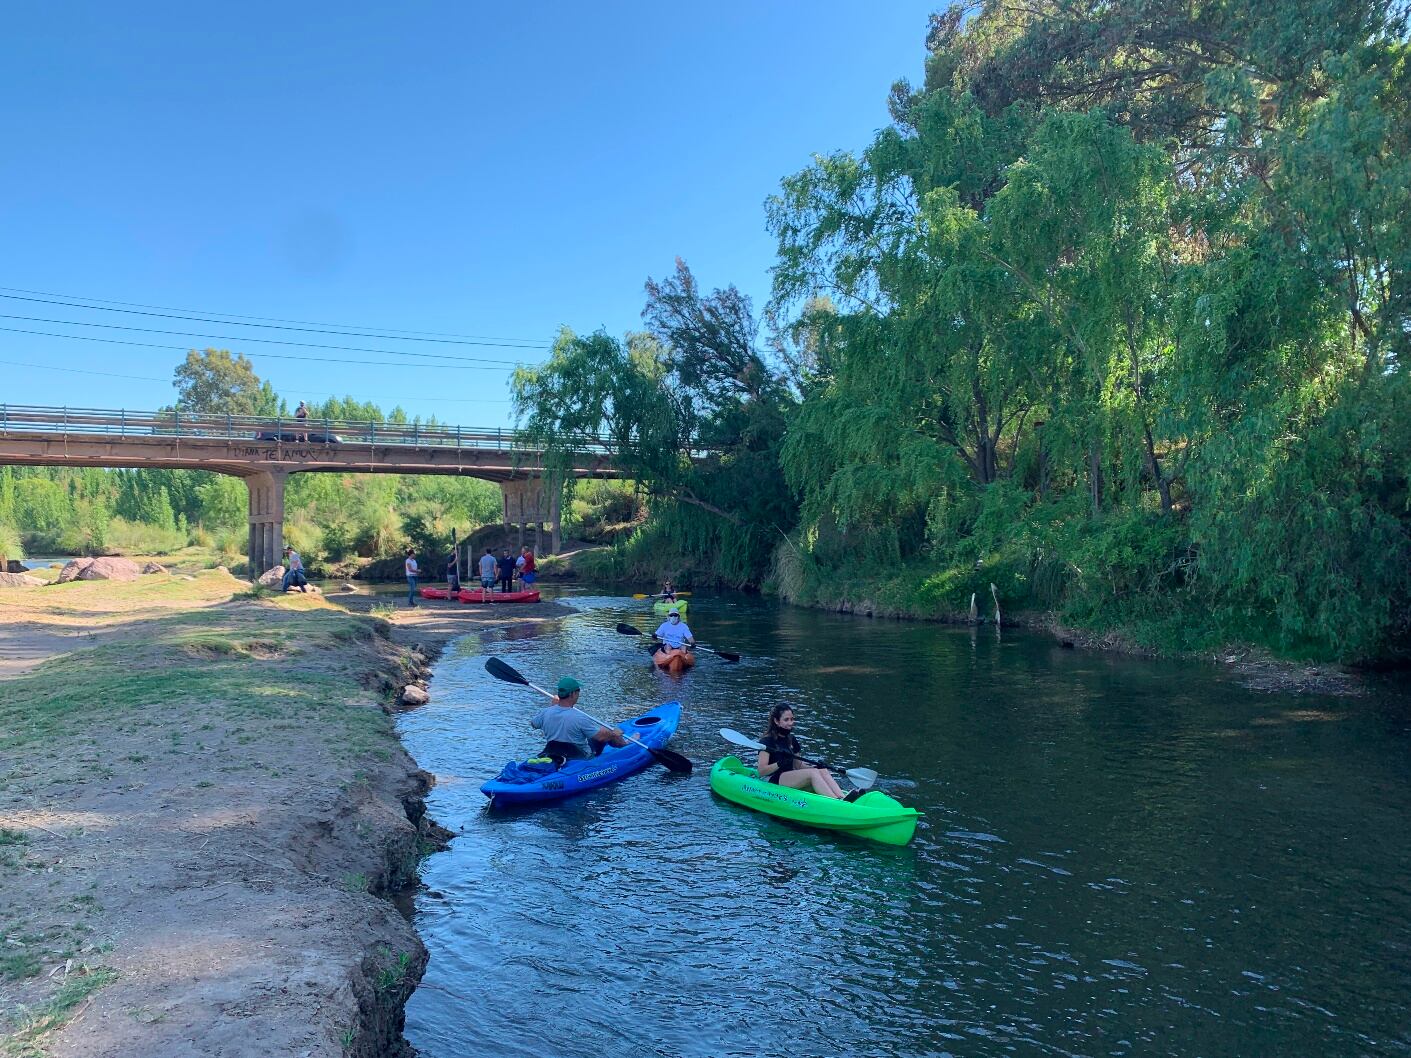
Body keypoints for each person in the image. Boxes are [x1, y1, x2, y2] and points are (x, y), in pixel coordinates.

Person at [756, 704, 855, 800]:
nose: (790, 723)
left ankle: (842, 798)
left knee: (822, 771)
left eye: (792, 719)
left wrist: (816, 767)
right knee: (812, 774)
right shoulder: (767, 741)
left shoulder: (791, 739)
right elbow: (761, 771)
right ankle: (836, 801)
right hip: (771, 780)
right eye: (786, 720)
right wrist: (779, 763)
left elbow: (798, 766)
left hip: (788, 777)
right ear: (776, 721)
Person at [530, 677, 627, 763]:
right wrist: (614, 733)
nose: (579, 694)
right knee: (607, 731)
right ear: (572, 694)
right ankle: (627, 746)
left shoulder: (546, 712)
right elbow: (601, 737)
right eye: (578, 691)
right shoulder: (579, 717)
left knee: (595, 732)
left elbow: (534, 724)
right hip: (580, 756)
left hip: (554, 752)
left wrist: (553, 707)